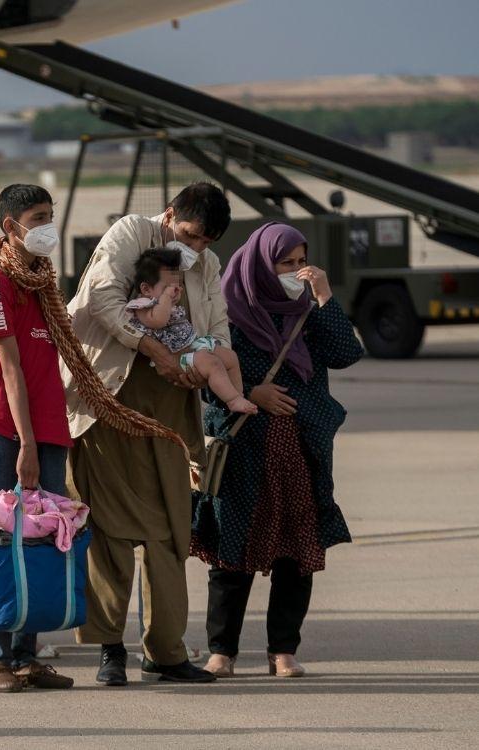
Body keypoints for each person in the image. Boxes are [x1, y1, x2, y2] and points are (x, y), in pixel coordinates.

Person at [0, 184, 181, 692]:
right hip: (3, 431)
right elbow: (9, 369)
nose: (47, 226)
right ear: (11, 227)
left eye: (50, 215)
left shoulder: (42, 285)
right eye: (38, 217)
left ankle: (27, 652)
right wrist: (27, 445)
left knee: (41, 542)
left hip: (49, 430)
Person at [66, 182, 232, 685]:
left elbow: (218, 326)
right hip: (111, 401)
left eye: (206, 241)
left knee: (170, 532)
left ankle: (166, 651)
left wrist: (201, 365)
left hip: (170, 412)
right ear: (168, 216)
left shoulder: (206, 266)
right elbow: (102, 298)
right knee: (109, 530)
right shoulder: (131, 234)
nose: (196, 248)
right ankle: (109, 649)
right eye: (190, 235)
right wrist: (153, 348)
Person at [194, 222, 363, 678]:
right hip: (245, 449)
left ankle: (283, 650)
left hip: (301, 449)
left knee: (296, 550)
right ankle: (221, 651)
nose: (295, 271)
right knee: (233, 549)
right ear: (259, 265)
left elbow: (347, 353)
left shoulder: (306, 312)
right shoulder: (226, 313)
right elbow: (205, 381)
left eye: (299, 261)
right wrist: (253, 391)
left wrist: (325, 295)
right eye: (284, 263)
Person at [126, 248, 256, 414]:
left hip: (194, 344)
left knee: (230, 357)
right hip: (178, 357)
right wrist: (165, 299)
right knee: (213, 363)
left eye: (177, 286)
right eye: (167, 286)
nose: (174, 291)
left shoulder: (166, 303)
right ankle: (232, 400)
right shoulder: (142, 305)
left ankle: (238, 395)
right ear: (146, 289)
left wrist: (167, 296)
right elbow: (158, 321)